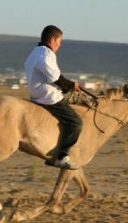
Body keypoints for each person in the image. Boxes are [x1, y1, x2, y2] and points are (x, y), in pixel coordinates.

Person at [24, 25, 83, 170]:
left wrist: (67, 86)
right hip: (47, 96)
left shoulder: (35, 53)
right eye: (59, 41)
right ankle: (62, 156)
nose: (60, 45)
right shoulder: (45, 54)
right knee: (76, 122)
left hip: (38, 93)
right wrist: (71, 85)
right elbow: (54, 77)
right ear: (51, 39)